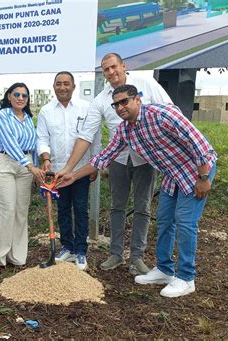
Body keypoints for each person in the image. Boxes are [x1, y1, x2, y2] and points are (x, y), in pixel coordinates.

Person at [58, 84, 217, 298]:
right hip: (173, 173)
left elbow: (197, 142)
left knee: (185, 221)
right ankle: (164, 269)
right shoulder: (125, 130)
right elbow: (103, 157)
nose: (121, 107)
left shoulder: (162, 114)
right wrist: (73, 175)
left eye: (125, 101)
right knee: (164, 219)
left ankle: (187, 278)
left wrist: (204, 176)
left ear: (138, 100)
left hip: (197, 169)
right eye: (116, 104)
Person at [56, 53, 172, 276]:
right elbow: (86, 135)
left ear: (123, 66)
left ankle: (137, 257)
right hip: (117, 158)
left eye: (113, 67)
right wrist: (69, 169)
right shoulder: (100, 100)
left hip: (146, 158)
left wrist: (165, 152)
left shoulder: (146, 84)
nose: (111, 73)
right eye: (105, 69)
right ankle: (116, 254)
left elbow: (169, 110)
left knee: (143, 207)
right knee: (117, 207)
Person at [37, 71, 100, 270]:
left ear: (74, 87)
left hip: (80, 170)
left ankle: (81, 251)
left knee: (81, 208)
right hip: (56, 171)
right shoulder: (46, 111)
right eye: (58, 84)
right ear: (54, 86)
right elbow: (42, 138)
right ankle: (67, 247)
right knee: (63, 208)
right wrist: (46, 159)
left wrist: (94, 164)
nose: (62, 87)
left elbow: (94, 138)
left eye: (66, 83)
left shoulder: (86, 108)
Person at [0, 83, 45, 267]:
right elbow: (10, 143)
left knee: (21, 211)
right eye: (17, 94)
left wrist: (36, 167)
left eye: (24, 95)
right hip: (4, 164)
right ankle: (1, 255)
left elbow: (34, 144)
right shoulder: (2, 115)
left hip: (25, 167)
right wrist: (31, 167)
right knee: (6, 210)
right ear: (9, 96)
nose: (21, 98)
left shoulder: (28, 117)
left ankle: (17, 255)